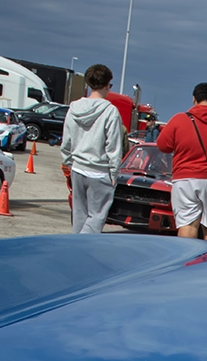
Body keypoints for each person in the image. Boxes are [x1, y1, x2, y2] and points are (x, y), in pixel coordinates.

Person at [156, 82, 207, 241]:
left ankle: (187, 263)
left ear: (194, 99)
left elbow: (162, 145)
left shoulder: (179, 119)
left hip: (185, 179)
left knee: (187, 226)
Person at [61, 63, 124, 234]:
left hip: (78, 168)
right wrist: (114, 171)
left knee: (79, 216)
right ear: (106, 85)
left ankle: (77, 250)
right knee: (96, 217)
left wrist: (69, 162)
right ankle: (81, 246)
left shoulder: (74, 108)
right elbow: (114, 145)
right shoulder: (110, 111)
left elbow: (66, 140)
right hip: (99, 171)